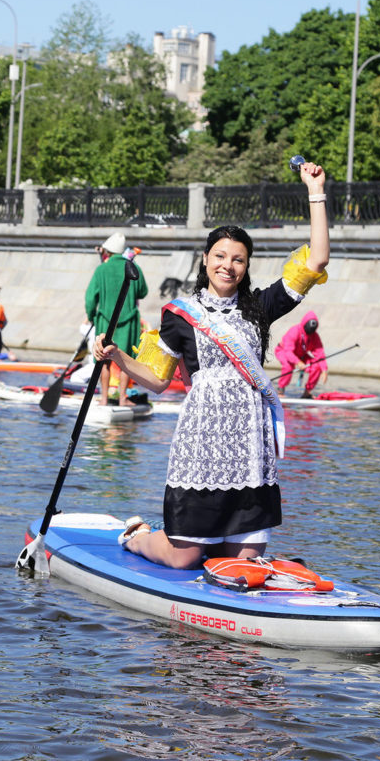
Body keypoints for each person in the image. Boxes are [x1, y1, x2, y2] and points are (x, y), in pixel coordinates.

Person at [93, 159, 330, 570]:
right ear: (205, 260)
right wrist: (117, 356)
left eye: (238, 259)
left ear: (246, 266)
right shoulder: (179, 315)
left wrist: (315, 191)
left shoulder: (260, 307)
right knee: (184, 557)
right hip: (203, 444)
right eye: (220, 256)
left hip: (248, 447)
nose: (228, 265)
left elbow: (317, 261)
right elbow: (157, 380)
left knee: (242, 560)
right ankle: (137, 537)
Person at [85, 232, 148, 407]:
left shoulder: (101, 269)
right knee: (125, 360)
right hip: (129, 322)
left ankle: (104, 399)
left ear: (108, 251)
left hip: (105, 321)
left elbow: (90, 298)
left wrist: (91, 317)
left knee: (103, 360)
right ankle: (122, 399)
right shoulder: (133, 266)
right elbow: (143, 291)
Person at [273, 310, 327, 397]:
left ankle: (307, 393)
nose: (310, 333)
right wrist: (298, 362)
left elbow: (320, 353)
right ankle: (280, 390)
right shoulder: (294, 331)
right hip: (283, 351)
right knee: (288, 366)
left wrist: (324, 370)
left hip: (300, 355)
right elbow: (288, 351)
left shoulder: (314, 336)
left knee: (316, 367)